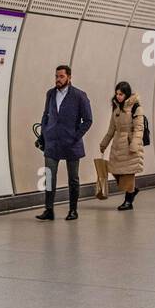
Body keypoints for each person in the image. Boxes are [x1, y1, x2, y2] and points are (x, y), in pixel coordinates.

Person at [36, 65, 93, 221]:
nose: (58, 79)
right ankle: (49, 210)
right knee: (49, 176)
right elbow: (45, 115)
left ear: (69, 77)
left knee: (73, 179)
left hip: (71, 144)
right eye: (56, 76)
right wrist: (43, 135)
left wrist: (75, 136)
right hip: (52, 142)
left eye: (61, 76)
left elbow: (88, 120)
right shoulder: (50, 94)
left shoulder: (79, 96)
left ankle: (73, 210)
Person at [99, 81, 144, 210]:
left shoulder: (136, 107)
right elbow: (111, 129)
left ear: (127, 94)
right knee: (114, 170)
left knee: (128, 174)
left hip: (130, 144)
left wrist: (135, 144)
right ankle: (132, 190)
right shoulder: (116, 108)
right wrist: (104, 143)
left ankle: (128, 201)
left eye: (121, 94)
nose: (118, 96)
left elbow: (139, 128)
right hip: (118, 144)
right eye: (117, 94)